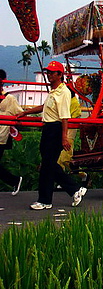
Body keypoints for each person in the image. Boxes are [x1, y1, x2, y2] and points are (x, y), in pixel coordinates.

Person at [17, 61, 87, 210]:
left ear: (60, 75)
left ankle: (45, 199)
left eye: (52, 72)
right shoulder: (53, 91)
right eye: (48, 72)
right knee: (49, 165)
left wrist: (64, 137)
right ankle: (73, 189)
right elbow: (44, 107)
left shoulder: (63, 92)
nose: (49, 75)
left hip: (55, 129)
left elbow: (64, 116)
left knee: (47, 166)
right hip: (48, 129)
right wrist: (26, 112)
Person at [0, 69, 23, 195]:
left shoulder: (10, 98)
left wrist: (15, 122)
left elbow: (19, 113)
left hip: (1, 135)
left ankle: (14, 180)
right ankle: (14, 180)